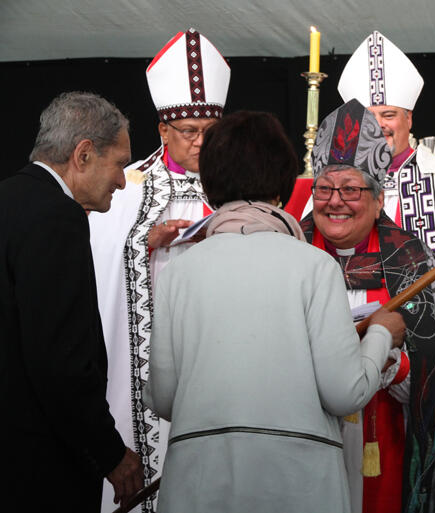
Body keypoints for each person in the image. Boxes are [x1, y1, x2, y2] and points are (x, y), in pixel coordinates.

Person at [143, 110, 406, 513]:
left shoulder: (179, 271)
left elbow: (162, 398)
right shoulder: (314, 266)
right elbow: (345, 392)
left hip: (199, 482)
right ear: (283, 184)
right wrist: (381, 333)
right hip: (295, 482)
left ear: (210, 186)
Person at [302, 99, 435, 513]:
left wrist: (394, 365)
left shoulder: (411, 262)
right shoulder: (290, 254)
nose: (335, 202)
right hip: (305, 441)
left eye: (351, 189)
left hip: (386, 439)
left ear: (378, 198)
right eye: (325, 188)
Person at [88, 28, 230, 511]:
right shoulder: (124, 189)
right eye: (189, 131)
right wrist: (142, 244)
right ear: (163, 130)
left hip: (217, 349)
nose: (199, 142)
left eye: (209, 132)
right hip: (143, 359)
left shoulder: (237, 185)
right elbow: (93, 266)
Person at [1, 92, 143, 512]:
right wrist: (110, 454)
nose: (122, 180)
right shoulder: (57, 217)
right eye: (119, 163)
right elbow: (58, 360)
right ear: (83, 155)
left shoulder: (8, 199)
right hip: (39, 470)